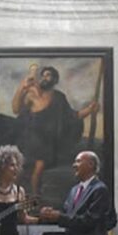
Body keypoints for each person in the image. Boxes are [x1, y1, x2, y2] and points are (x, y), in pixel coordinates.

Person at [11, 66, 99, 195]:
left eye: (50, 76)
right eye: (45, 75)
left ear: (55, 80)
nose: (47, 78)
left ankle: (35, 200)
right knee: (20, 170)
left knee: (37, 173)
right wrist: (21, 88)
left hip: (45, 142)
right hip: (28, 139)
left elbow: (72, 116)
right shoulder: (30, 94)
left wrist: (89, 110)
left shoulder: (58, 97)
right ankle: (12, 198)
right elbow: (16, 109)